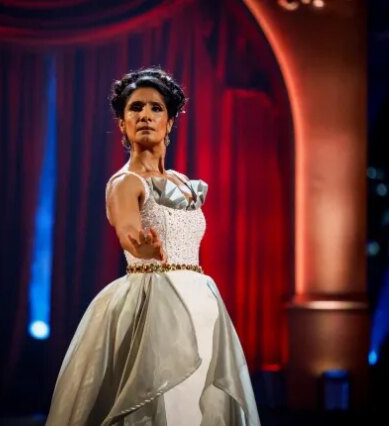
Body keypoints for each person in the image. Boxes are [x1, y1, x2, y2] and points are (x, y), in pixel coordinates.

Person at [46, 67, 260, 425]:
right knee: (158, 403)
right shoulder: (124, 183)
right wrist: (140, 247)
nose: (145, 115)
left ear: (170, 122)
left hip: (200, 304)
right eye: (135, 108)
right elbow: (128, 229)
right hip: (153, 304)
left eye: (155, 108)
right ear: (122, 124)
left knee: (195, 405)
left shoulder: (183, 183)